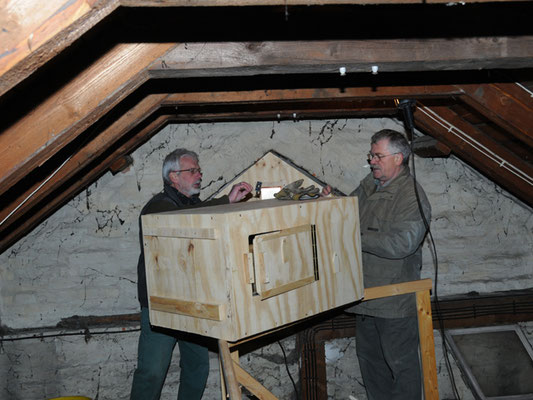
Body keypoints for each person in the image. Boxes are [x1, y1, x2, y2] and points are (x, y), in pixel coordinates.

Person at [130, 148, 252, 400]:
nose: (199, 175)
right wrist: (225, 201)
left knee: (197, 368)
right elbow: (185, 222)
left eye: (199, 170)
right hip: (162, 306)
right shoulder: (158, 207)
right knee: (152, 372)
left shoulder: (192, 203)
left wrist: (227, 203)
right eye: (192, 170)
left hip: (193, 304)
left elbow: (200, 217)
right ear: (173, 177)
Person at [324, 129, 431, 399]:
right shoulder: (369, 185)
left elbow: (402, 244)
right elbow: (348, 212)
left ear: (398, 158)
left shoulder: (410, 196)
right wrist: (332, 203)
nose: (372, 160)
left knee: (402, 369)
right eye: (371, 155)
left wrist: (354, 236)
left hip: (393, 301)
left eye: (378, 155)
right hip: (365, 296)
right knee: (372, 367)